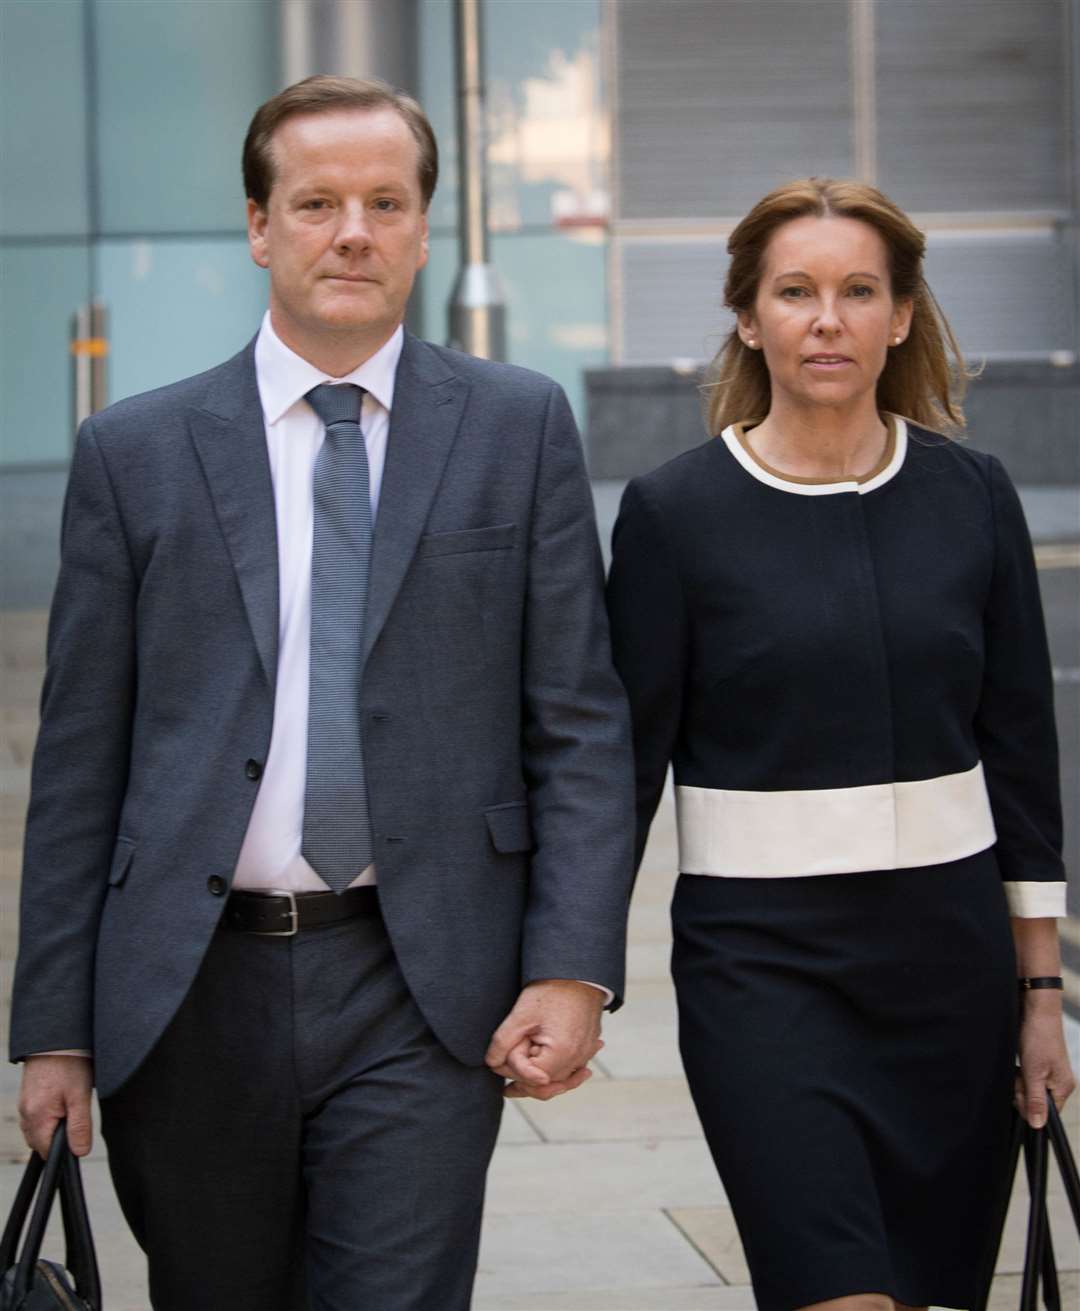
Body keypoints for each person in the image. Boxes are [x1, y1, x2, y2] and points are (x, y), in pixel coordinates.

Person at [12, 75, 634, 1310]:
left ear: (422, 229)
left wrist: (572, 964)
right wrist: (54, 1027)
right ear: (259, 226)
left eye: (386, 202)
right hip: (189, 989)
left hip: (420, 979)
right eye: (317, 203)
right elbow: (81, 759)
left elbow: (577, 720)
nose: (353, 230)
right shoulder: (134, 454)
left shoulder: (517, 428)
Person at [606, 178, 1074, 1311]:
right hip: (761, 970)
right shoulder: (676, 514)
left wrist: (1041, 990)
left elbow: (1018, 747)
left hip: (947, 971)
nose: (828, 318)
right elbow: (622, 767)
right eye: (796, 292)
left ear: (901, 316)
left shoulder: (972, 494)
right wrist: (567, 972)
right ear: (748, 316)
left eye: (859, 291)